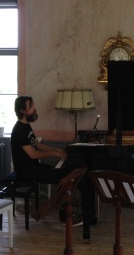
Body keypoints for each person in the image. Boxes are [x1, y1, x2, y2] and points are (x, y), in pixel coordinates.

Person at [10, 95, 88, 228]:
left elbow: (37, 145)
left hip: (33, 167)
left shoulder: (26, 126)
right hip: (26, 171)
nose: (35, 109)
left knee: (64, 175)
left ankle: (65, 213)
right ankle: (65, 216)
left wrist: (56, 150)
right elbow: (33, 154)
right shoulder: (19, 130)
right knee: (63, 177)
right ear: (23, 110)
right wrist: (53, 153)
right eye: (31, 107)